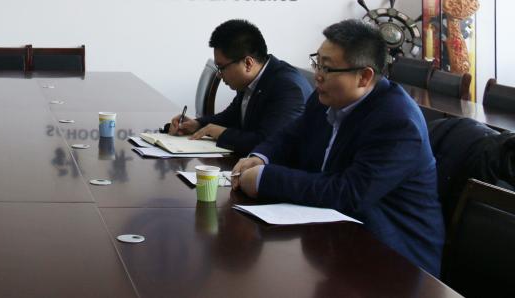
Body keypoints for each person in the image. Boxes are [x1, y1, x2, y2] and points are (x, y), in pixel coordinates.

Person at [231, 19, 444, 276]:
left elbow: (349, 192)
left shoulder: (397, 122)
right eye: (317, 63)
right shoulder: (326, 97)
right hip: (335, 240)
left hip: (394, 261)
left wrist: (265, 179)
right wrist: (261, 157)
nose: (318, 75)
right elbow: (291, 135)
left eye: (328, 68)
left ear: (364, 76)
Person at [166, 19, 311, 154]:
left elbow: (269, 143)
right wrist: (197, 124)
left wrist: (222, 133)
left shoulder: (287, 88)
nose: (219, 75)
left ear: (248, 63)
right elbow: (232, 116)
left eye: (222, 68)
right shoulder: (252, 78)